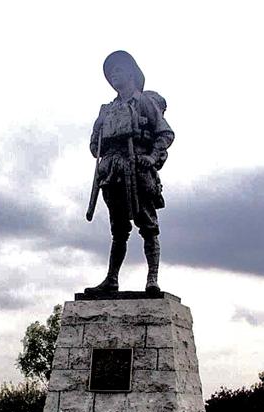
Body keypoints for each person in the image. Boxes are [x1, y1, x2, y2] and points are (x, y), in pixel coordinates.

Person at [84, 51, 175, 295]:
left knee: (147, 225)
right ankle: (111, 279)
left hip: (137, 169)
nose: (114, 75)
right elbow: (94, 146)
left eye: (119, 70)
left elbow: (165, 134)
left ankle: (152, 278)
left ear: (132, 73)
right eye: (111, 72)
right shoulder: (107, 109)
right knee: (119, 229)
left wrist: (152, 157)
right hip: (111, 172)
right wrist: (99, 137)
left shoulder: (145, 102)